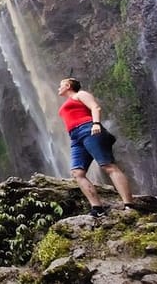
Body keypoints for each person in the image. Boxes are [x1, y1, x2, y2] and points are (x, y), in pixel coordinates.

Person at [57, 77, 135, 217]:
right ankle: (97, 208)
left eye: (60, 85)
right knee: (77, 173)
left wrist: (96, 124)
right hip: (75, 137)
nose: (58, 88)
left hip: (88, 129)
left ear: (68, 85)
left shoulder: (80, 94)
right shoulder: (68, 102)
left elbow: (95, 107)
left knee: (108, 166)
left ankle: (129, 205)